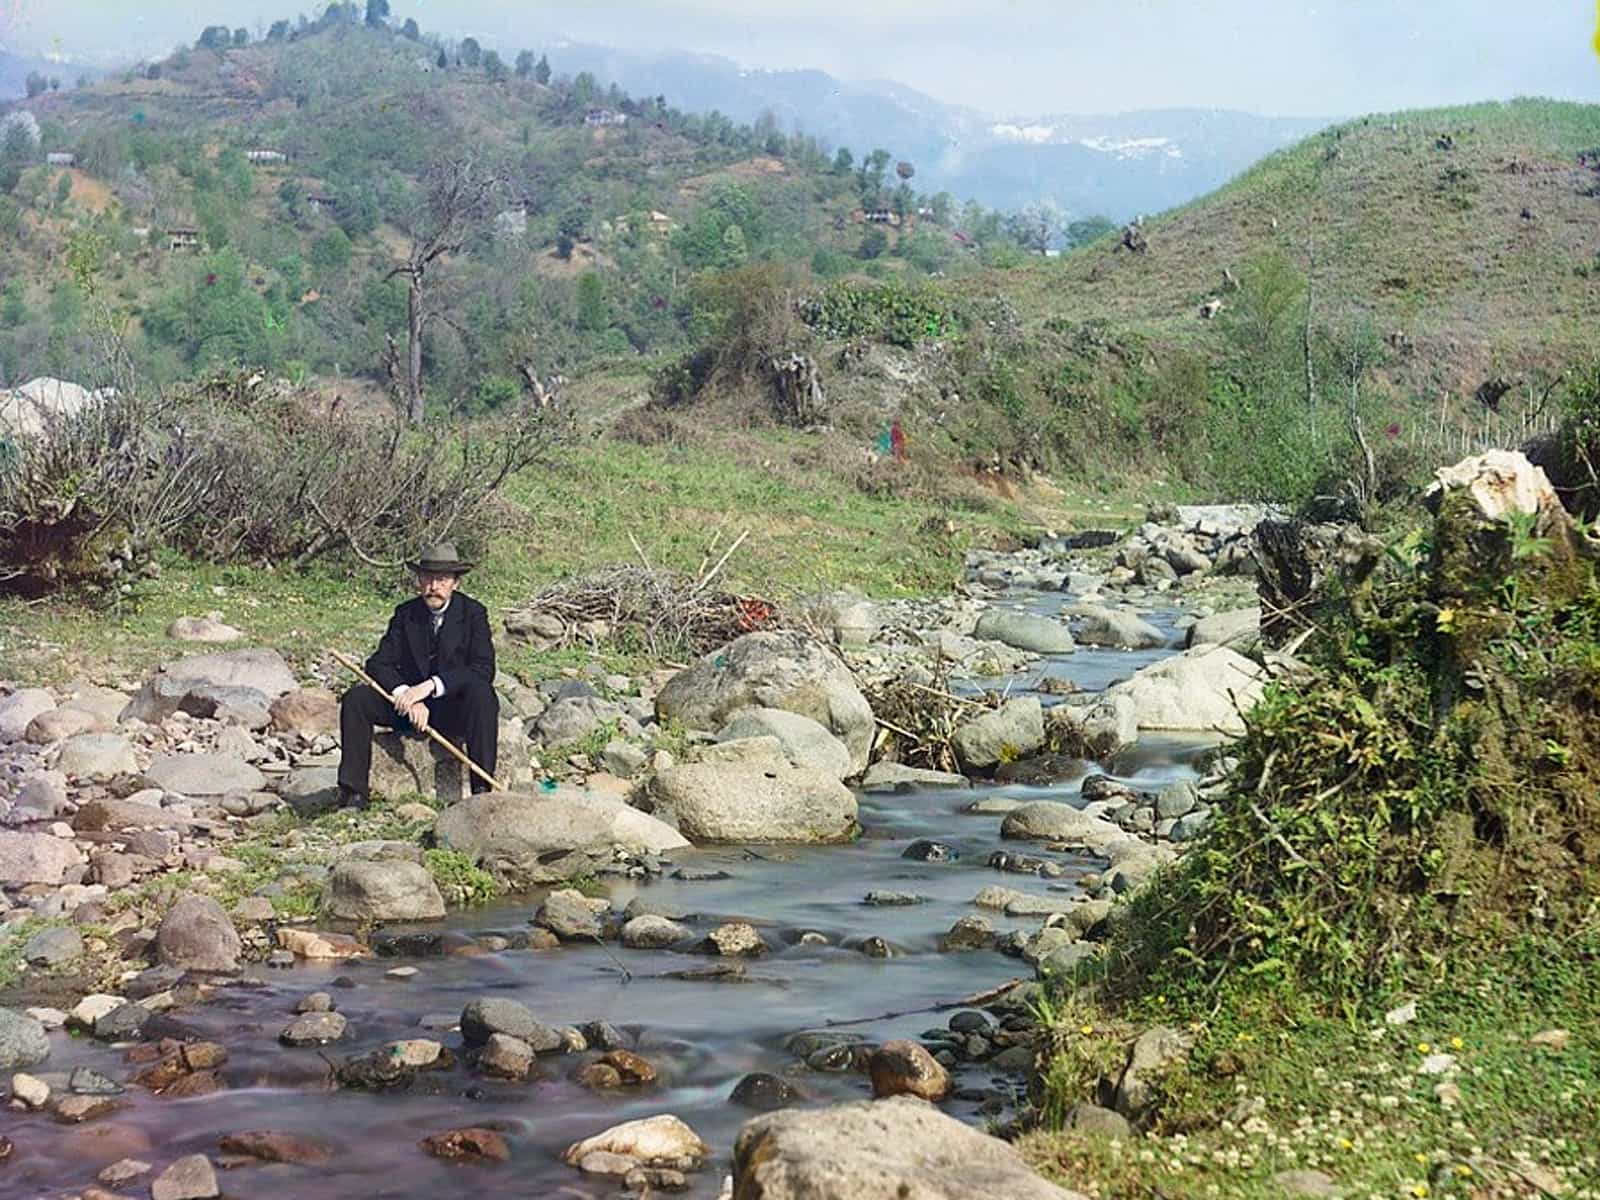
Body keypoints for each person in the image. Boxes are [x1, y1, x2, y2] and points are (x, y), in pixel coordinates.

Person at [337, 542, 499, 807]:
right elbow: (378, 663)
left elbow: (482, 669)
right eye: (427, 578)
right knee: (357, 699)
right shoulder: (406, 614)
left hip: (453, 711)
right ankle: (353, 793)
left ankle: (481, 792)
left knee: (483, 695)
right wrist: (405, 694)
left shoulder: (473, 614)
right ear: (419, 580)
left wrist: (432, 686)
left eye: (442, 579)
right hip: (408, 711)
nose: (433, 586)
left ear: (455, 583)